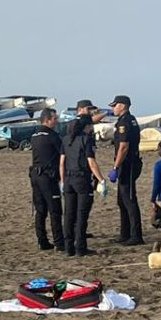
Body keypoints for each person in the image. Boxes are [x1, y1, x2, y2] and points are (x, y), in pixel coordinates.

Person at [60, 99, 102, 257]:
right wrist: (101, 180)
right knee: (81, 214)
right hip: (81, 178)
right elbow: (91, 162)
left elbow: (61, 163)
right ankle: (80, 248)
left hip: (69, 178)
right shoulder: (86, 140)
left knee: (69, 214)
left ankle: (68, 247)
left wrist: (63, 181)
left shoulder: (65, 140)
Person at [107, 95, 144, 245]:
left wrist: (116, 167)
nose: (113, 108)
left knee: (129, 200)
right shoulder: (132, 120)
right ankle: (125, 233)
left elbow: (123, 147)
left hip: (127, 165)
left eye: (115, 105)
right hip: (131, 163)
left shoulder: (124, 122)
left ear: (122, 106)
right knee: (122, 201)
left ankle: (136, 235)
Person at [27, 108, 64, 251]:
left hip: (35, 176)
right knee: (55, 210)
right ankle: (59, 243)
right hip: (47, 177)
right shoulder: (52, 136)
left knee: (40, 210)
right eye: (55, 118)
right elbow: (62, 155)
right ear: (47, 120)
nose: (57, 121)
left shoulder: (34, 135)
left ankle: (42, 241)